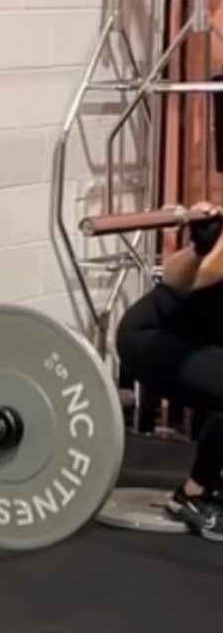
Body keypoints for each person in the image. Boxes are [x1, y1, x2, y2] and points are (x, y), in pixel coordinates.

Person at [115, 201, 223, 539]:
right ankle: (192, 495)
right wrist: (201, 247)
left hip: (198, 344)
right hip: (150, 337)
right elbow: (183, 278)